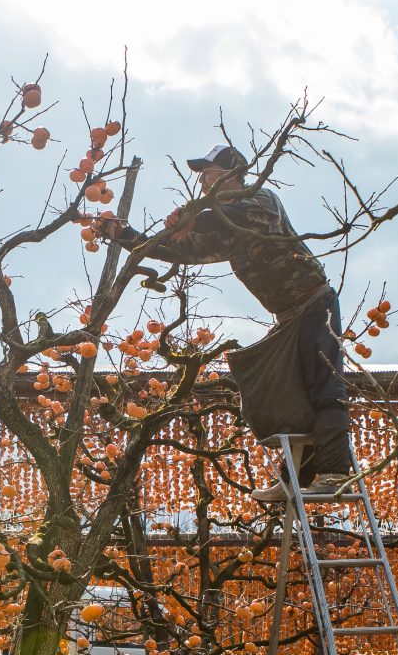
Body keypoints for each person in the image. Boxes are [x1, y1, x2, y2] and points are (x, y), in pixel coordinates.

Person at [99, 143, 356, 502]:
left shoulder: (262, 202)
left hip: (314, 305)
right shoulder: (226, 228)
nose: (202, 181)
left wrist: (195, 216)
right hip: (288, 317)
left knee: (324, 388)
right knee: (275, 390)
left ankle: (335, 474)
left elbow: (241, 215)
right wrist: (125, 235)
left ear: (231, 173)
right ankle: (296, 477)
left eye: (207, 173)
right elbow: (179, 250)